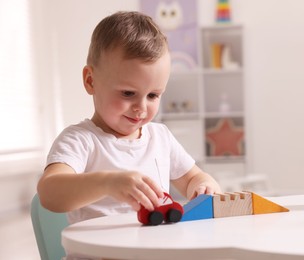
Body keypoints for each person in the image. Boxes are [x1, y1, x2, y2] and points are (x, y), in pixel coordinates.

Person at [37, 11, 221, 227]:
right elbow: (49, 193)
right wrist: (108, 183)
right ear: (90, 81)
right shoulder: (81, 140)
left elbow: (192, 178)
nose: (141, 108)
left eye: (153, 95)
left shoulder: (160, 137)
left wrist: (204, 186)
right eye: (127, 93)